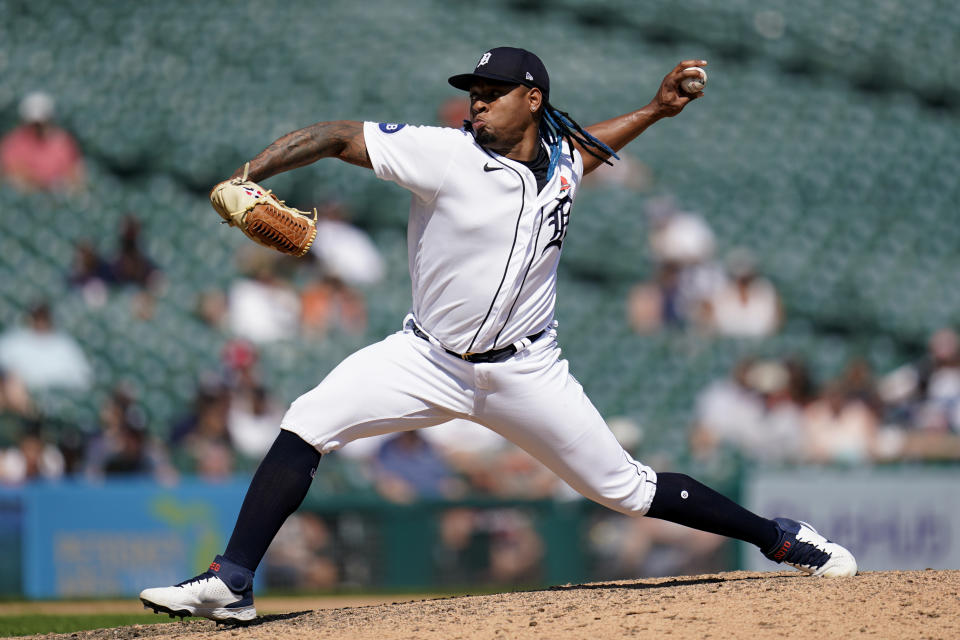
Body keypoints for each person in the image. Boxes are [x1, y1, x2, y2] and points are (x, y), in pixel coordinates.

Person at [139, 47, 856, 624]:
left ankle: (782, 537)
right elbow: (335, 136)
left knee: (626, 490)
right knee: (306, 422)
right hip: (423, 357)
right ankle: (232, 579)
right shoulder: (445, 154)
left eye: (493, 90)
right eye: (474, 90)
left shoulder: (565, 155)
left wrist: (657, 110)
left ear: (532, 100)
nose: (477, 100)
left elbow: (591, 146)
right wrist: (248, 175)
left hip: (527, 371)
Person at [0, 91, 85, 193]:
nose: (38, 126)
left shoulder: (63, 142)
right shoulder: (14, 142)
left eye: (41, 122)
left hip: (56, 195)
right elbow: (11, 171)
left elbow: (74, 173)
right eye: (34, 123)